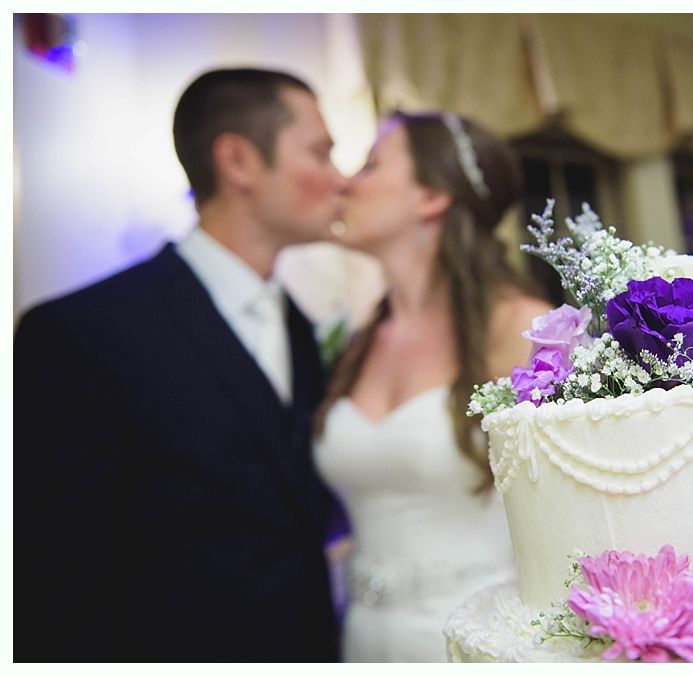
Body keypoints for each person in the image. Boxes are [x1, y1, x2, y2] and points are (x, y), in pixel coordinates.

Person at [15, 67, 349, 661]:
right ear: (239, 161)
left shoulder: (300, 325)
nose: (339, 179)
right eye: (320, 153)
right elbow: (55, 577)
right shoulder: (82, 333)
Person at [312, 111, 551, 662]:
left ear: (431, 198)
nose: (345, 183)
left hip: (476, 642)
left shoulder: (523, 330)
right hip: (360, 640)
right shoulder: (360, 343)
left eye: (370, 164)